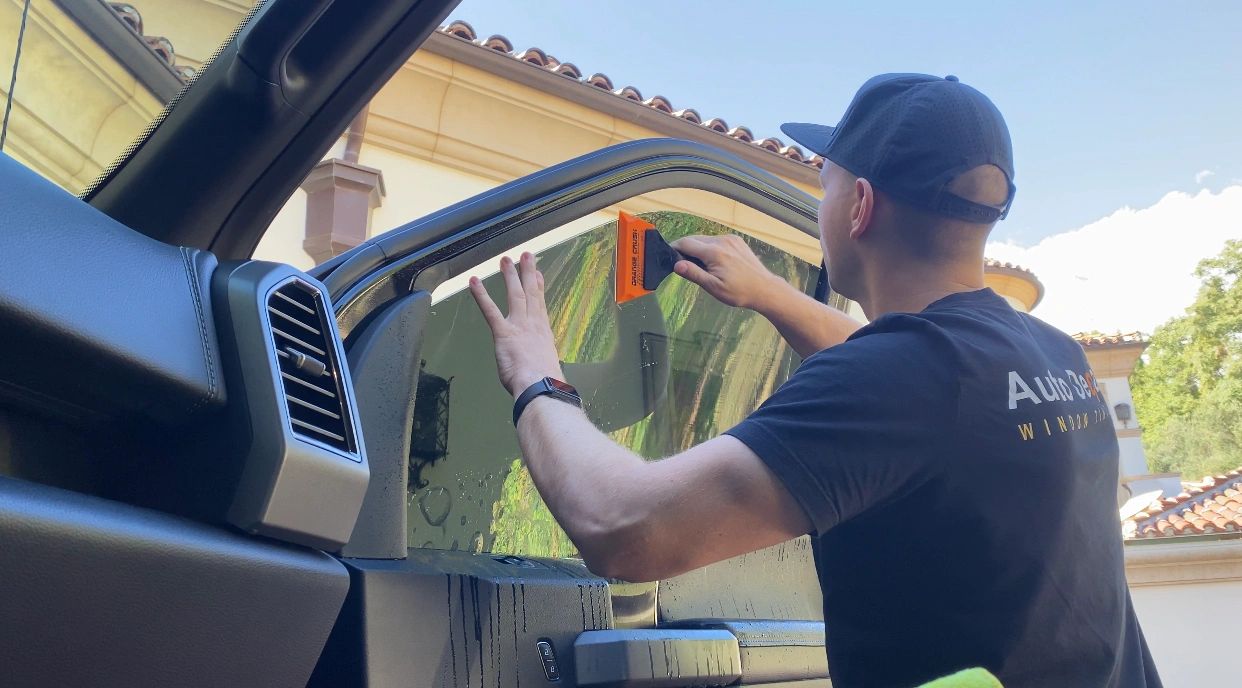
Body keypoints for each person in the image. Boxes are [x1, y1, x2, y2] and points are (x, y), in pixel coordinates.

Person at [467, 74, 1161, 688]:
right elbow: (919, 392)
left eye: (822, 181)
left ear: (859, 205)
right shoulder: (1052, 356)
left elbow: (625, 529)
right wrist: (771, 293)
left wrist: (537, 378)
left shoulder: (906, 380)